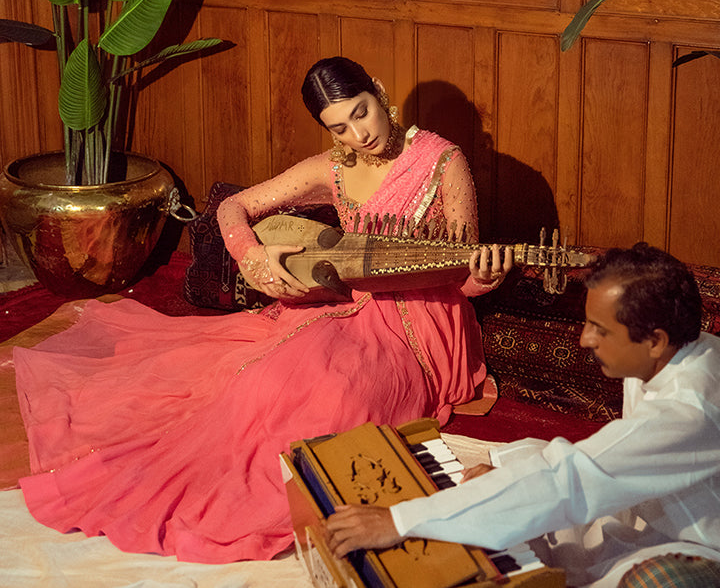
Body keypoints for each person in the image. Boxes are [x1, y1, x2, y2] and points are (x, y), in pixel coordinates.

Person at [11, 56, 511, 564]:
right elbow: (234, 207)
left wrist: (484, 278)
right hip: (345, 302)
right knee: (266, 382)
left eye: (361, 113)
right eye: (339, 127)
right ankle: (216, 486)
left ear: (379, 92)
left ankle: (289, 496)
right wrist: (253, 257)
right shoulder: (333, 168)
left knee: (341, 396)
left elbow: (463, 272)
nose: (359, 135)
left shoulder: (442, 160)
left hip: (423, 322)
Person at [326, 242, 720, 588]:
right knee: (524, 477)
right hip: (648, 509)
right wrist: (508, 476)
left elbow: (572, 478)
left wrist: (398, 521)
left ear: (655, 341)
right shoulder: (679, 349)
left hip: (696, 548)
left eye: (600, 329)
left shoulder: (687, 411)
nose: (584, 339)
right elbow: (606, 459)